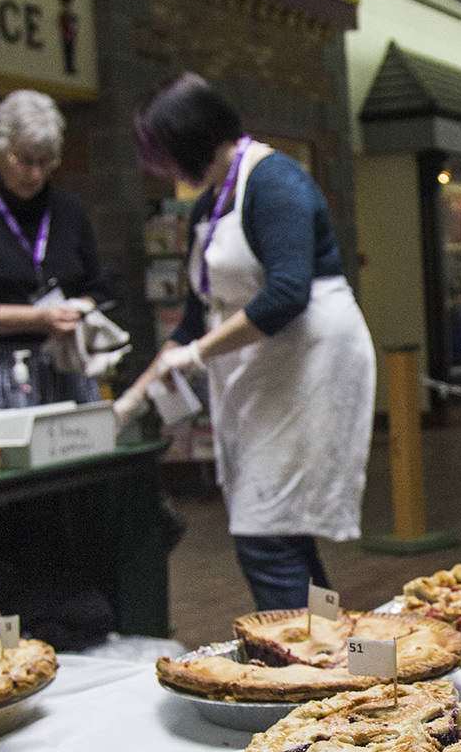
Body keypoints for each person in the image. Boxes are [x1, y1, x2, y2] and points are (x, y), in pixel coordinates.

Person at [130, 73, 376, 611]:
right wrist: (135, 396)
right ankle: (332, 653)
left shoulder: (275, 181)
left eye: (164, 156)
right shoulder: (211, 203)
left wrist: (196, 356)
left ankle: (305, 662)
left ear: (188, 143)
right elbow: (195, 319)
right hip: (266, 373)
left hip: (309, 365)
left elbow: (287, 294)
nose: (162, 170)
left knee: (265, 533)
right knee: (281, 528)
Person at [0, 90, 111, 409]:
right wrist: (39, 318)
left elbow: (100, 286)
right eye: (24, 160)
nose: (35, 174)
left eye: (46, 162)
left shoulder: (68, 211)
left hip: (64, 367)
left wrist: (79, 309)